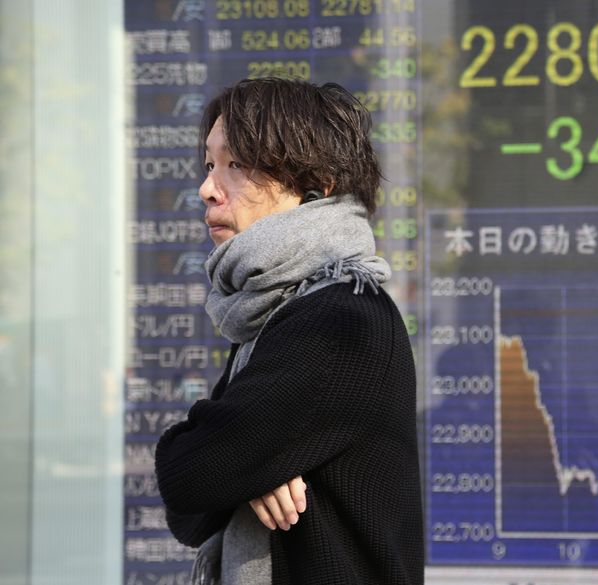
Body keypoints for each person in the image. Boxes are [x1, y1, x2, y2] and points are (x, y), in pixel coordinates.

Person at [154, 77, 424, 585]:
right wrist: (249, 469)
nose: (207, 187)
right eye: (210, 164)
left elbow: (188, 472)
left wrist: (237, 466)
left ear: (310, 185)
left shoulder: (343, 320)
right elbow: (188, 509)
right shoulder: (274, 315)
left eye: (235, 164)